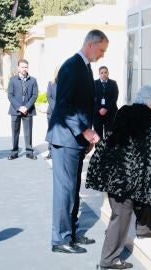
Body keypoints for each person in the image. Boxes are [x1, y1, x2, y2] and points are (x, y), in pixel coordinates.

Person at [86, 85, 151, 270]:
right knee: (121, 215)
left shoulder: (125, 111)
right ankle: (108, 260)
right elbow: (146, 155)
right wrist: (150, 179)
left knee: (138, 199)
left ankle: (145, 229)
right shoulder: (146, 121)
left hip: (111, 170)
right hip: (123, 175)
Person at [46, 29, 108, 254]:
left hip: (76, 140)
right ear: (91, 44)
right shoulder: (72, 66)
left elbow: (83, 105)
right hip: (65, 139)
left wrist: (87, 134)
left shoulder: (84, 67)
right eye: (101, 49)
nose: (102, 55)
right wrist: (85, 131)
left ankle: (71, 233)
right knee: (65, 190)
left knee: (73, 190)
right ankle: (60, 239)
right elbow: (64, 105)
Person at [7, 59, 38, 160]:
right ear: (18, 68)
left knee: (28, 132)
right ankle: (14, 152)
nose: (24, 69)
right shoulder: (12, 80)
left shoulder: (33, 80)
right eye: (22, 67)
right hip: (15, 110)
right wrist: (19, 107)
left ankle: (29, 152)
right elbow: (10, 96)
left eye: (26, 67)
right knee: (15, 132)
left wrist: (26, 107)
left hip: (28, 111)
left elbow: (35, 95)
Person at [93, 66, 119, 138]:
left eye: (105, 72)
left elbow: (115, 97)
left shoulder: (113, 83)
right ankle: (99, 149)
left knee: (110, 135)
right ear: (99, 74)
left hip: (110, 113)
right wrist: (99, 109)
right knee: (98, 135)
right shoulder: (94, 83)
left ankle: (108, 149)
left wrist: (106, 109)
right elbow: (92, 98)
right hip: (97, 114)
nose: (104, 74)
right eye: (102, 73)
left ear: (108, 73)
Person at [45, 67, 59, 160]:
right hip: (52, 112)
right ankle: (50, 151)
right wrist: (56, 108)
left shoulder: (67, 83)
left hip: (63, 113)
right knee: (51, 131)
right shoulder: (51, 83)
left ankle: (58, 152)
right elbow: (49, 97)